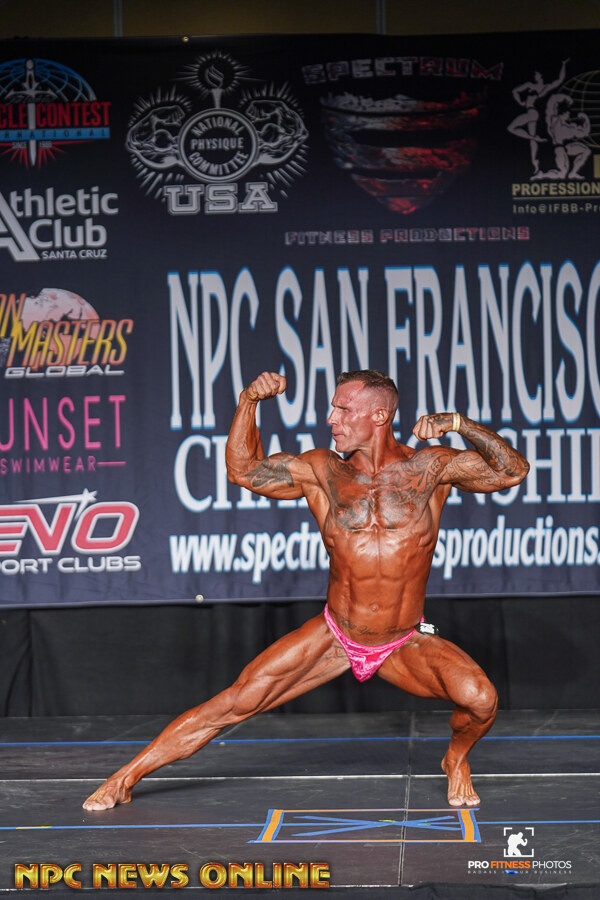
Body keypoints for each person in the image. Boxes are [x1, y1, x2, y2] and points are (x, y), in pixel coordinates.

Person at [83, 369, 529, 812]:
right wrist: (248, 401)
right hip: (335, 635)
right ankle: (124, 778)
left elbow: (513, 471)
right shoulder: (322, 471)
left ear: (379, 415)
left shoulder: (430, 469)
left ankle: (456, 759)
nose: (331, 418)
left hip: (402, 641)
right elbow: (242, 471)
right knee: (235, 702)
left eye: (343, 409)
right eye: (333, 408)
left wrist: (460, 424)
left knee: (481, 699)